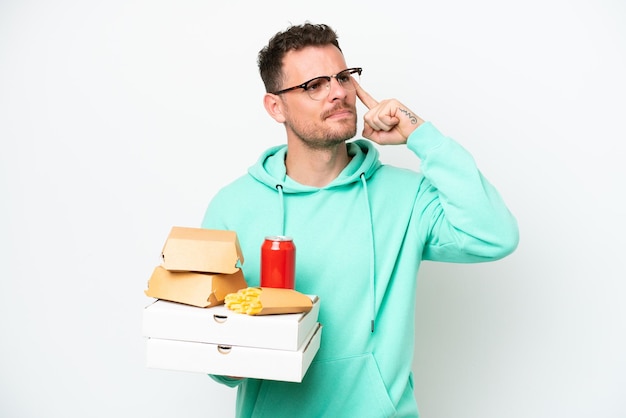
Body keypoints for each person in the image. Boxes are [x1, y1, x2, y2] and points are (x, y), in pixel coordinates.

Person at [201, 22, 519, 418]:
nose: (338, 92)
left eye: (342, 77)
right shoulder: (233, 207)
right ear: (275, 106)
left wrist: (421, 135)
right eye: (314, 84)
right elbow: (218, 362)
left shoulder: (407, 197)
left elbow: (495, 236)